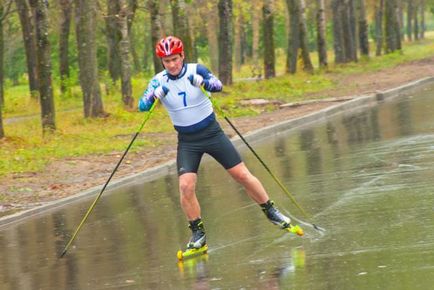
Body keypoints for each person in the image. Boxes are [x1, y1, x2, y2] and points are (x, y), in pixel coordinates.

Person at [139, 36, 292, 250]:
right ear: (162, 62)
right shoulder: (158, 81)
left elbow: (218, 85)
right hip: (187, 141)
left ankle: (270, 210)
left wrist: (204, 83)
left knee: (241, 175)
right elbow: (142, 106)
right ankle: (198, 233)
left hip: (212, 133)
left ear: (182, 56)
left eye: (174, 59)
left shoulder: (196, 70)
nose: (172, 65)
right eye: (166, 61)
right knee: (185, 186)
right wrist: (153, 96)